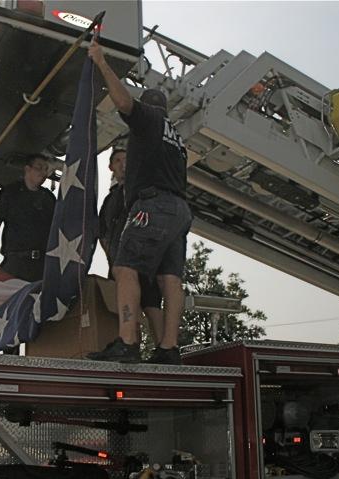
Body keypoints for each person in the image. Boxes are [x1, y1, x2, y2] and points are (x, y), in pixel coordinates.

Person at [87, 39, 193, 365]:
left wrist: (101, 62)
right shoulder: (176, 138)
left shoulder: (149, 119)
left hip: (153, 205)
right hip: (179, 211)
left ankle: (127, 341)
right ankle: (168, 348)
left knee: (124, 267)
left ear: (149, 106)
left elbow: (122, 100)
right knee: (170, 279)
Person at [98, 147, 164, 345]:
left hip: (144, 257)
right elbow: (103, 233)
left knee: (151, 303)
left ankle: (164, 348)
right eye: (117, 160)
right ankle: (130, 346)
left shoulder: (142, 190)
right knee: (124, 306)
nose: (122, 164)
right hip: (119, 262)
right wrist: (111, 258)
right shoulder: (109, 199)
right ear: (111, 167)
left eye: (126, 159)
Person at [0, 154, 55, 282]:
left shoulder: (48, 198)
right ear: (27, 169)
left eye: (46, 169)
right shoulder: (10, 192)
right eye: (39, 167)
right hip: (15, 262)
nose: (43, 173)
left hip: (43, 264)